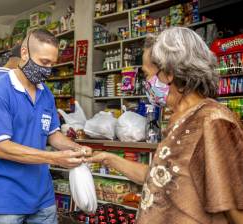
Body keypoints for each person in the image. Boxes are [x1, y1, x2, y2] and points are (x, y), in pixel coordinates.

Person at [88, 27, 243, 224]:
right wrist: (108, 159)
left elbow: (236, 209)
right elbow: (161, 178)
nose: (146, 83)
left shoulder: (213, 122)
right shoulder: (181, 119)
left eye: (147, 74)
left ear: (169, 73)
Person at [0, 29, 92, 224]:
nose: (47, 70)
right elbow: (2, 148)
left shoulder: (45, 93)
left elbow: (53, 135)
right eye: (44, 62)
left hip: (42, 195)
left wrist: (76, 148)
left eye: (52, 65)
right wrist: (55, 158)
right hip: (5, 196)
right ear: (24, 53)